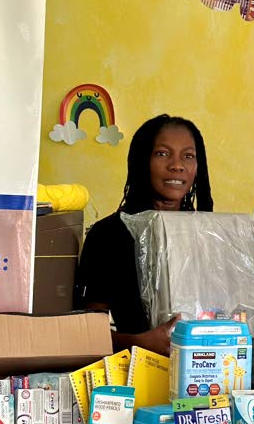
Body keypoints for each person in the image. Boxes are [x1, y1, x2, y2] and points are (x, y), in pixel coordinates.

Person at [73, 114, 213, 356]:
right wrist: (138, 342)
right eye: (162, 153)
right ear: (142, 161)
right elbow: (84, 331)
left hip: (208, 370)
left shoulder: (210, 233)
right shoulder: (109, 235)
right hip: (135, 374)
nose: (177, 165)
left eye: (188, 156)